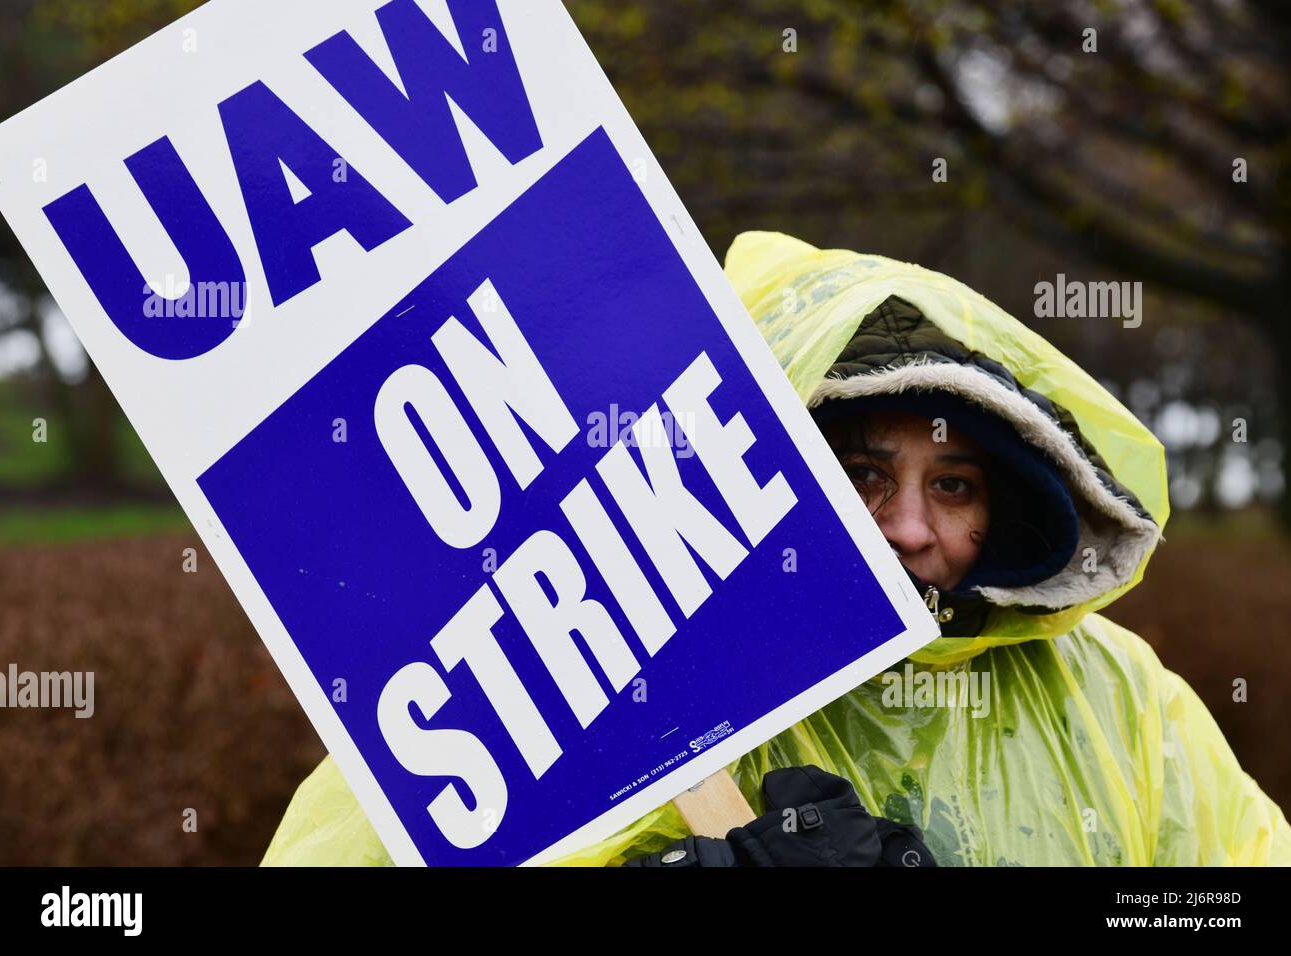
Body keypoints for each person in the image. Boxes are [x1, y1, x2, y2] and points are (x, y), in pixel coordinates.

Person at [261, 231, 1291, 866]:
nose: (908, 527)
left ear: (1009, 514)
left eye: (956, 485)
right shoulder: (577, 666)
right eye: (862, 473)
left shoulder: (1118, 703)